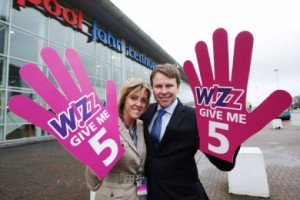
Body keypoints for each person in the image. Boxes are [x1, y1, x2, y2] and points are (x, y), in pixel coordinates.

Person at [141, 63, 239, 200]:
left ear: (178, 87)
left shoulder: (197, 118)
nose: (163, 91)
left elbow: (224, 164)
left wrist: (234, 134)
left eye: (169, 85)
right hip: (152, 194)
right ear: (153, 88)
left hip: (184, 195)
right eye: (158, 86)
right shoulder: (145, 113)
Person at [85, 78, 151, 200]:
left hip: (140, 193)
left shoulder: (141, 125)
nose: (139, 104)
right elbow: (91, 183)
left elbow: (139, 167)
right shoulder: (108, 125)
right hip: (113, 196)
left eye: (143, 100)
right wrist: (97, 159)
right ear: (124, 99)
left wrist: (143, 195)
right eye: (134, 98)